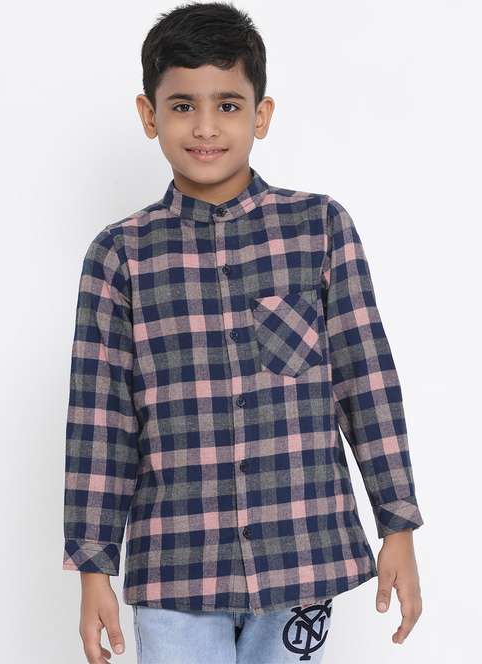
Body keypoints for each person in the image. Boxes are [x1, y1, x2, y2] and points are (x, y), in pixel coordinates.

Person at [62, 2, 425, 662]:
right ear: (149, 114)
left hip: (300, 555)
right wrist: (94, 570)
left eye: (228, 105)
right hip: (175, 567)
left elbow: (365, 381)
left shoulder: (320, 230)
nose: (205, 126)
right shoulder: (120, 256)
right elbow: (101, 419)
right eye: (182, 106)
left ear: (261, 114)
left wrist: (396, 524)